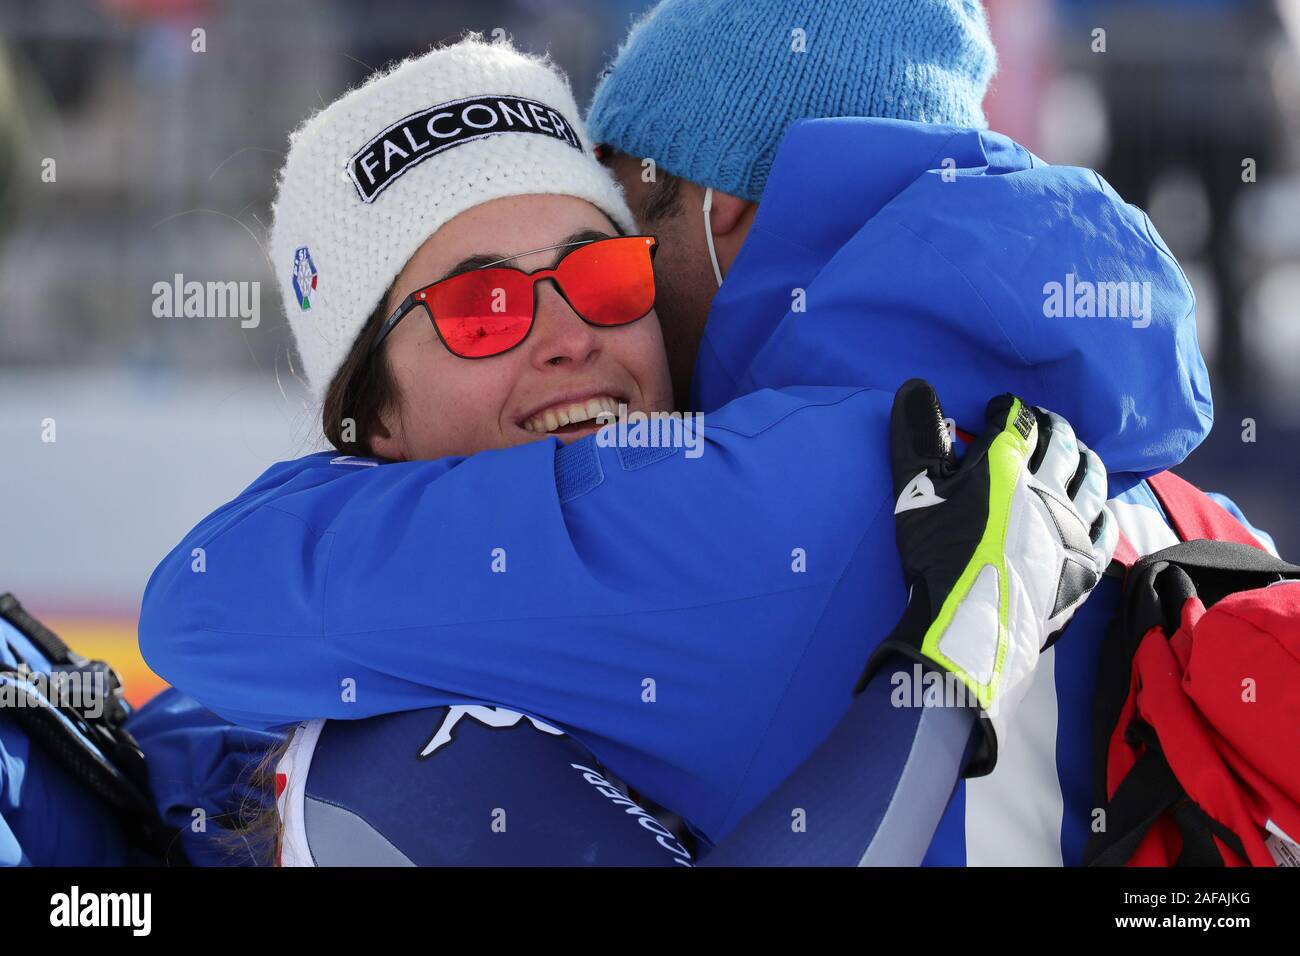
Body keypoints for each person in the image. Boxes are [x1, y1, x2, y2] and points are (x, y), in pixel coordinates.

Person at [140, 2, 1223, 864]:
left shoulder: (766, 496)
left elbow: (207, 595)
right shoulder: (1157, 486)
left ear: (722, 210)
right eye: (482, 309)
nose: (570, 332)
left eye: (612, 262)